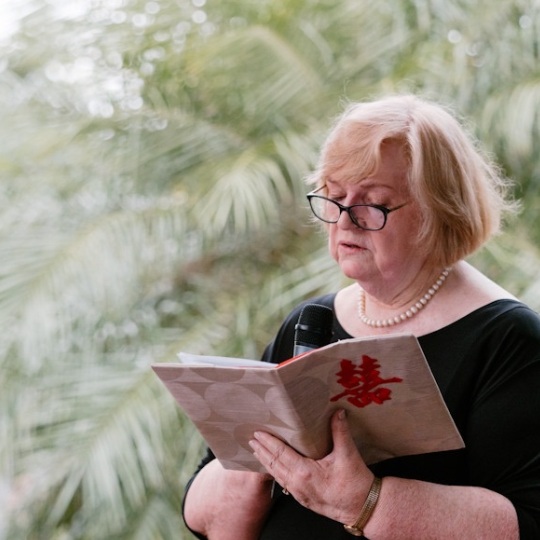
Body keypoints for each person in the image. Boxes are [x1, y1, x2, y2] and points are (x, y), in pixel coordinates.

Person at [182, 94, 540, 539]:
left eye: (372, 202)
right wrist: (258, 463)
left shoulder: (508, 338)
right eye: (333, 196)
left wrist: (365, 501)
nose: (344, 221)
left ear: (438, 211)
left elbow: (527, 524)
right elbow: (200, 513)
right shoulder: (309, 321)